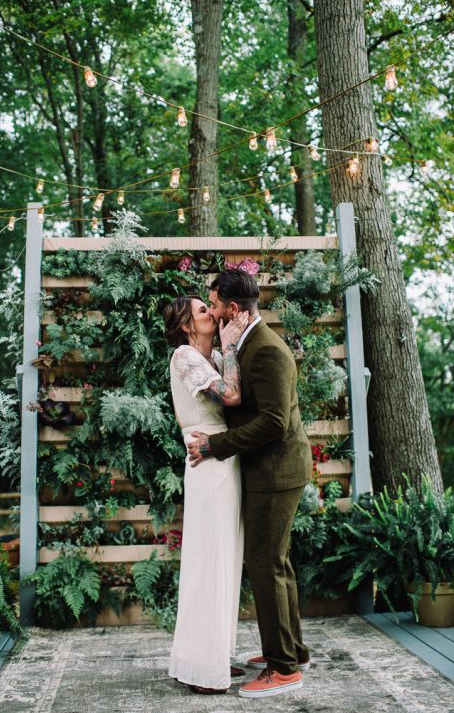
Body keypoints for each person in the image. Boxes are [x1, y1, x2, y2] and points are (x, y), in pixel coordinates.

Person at [187, 270, 313, 700]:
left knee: (265, 565)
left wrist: (216, 446)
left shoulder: (266, 351)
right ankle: (292, 650)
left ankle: (283, 670)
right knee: (277, 562)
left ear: (233, 309)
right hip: (268, 471)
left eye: (214, 305)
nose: (213, 311)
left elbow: (275, 424)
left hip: (276, 473)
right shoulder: (245, 345)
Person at [163, 294, 249, 695]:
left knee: (225, 557)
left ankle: (212, 655)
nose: (211, 314)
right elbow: (230, 397)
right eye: (202, 310)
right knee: (209, 559)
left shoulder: (211, 358)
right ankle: (201, 667)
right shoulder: (184, 356)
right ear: (185, 325)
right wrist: (230, 346)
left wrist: (227, 351)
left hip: (224, 458)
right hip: (207, 460)